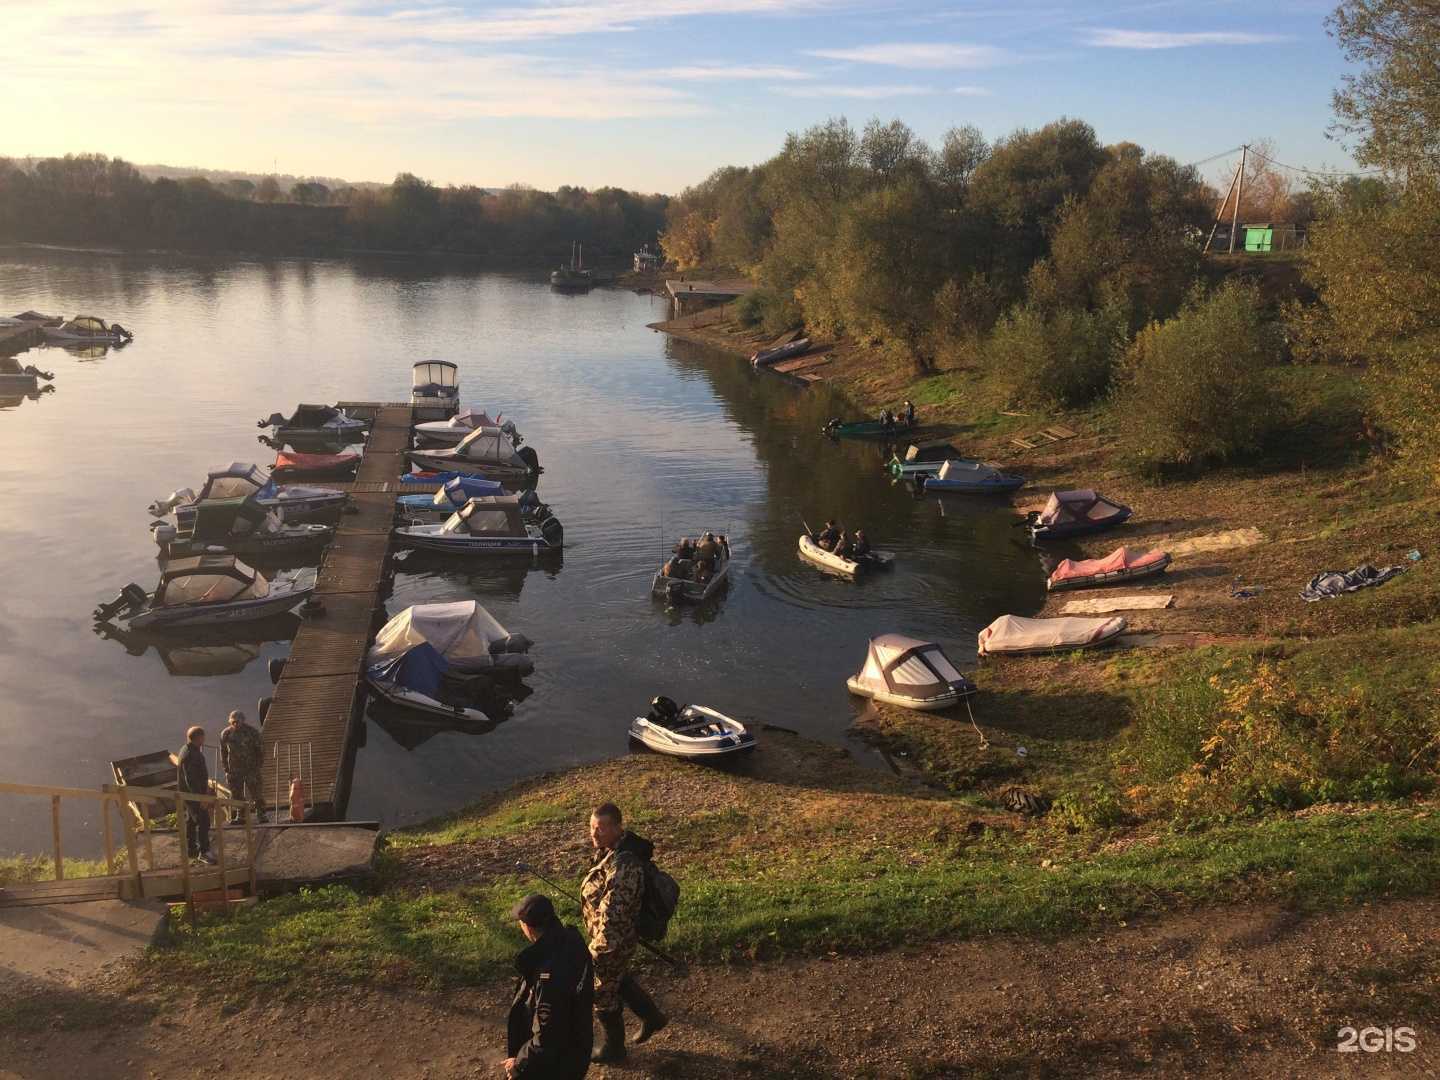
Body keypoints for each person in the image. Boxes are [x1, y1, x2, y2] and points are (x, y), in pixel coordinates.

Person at [581, 803, 668, 1064]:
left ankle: (614, 1049)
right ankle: (652, 1017)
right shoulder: (610, 851)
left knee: (602, 992)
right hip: (612, 937)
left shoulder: (624, 866)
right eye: (592, 827)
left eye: (601, 828)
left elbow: (613, 917)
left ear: (618, 828)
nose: (594, 834)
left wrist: (593, 952)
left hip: (612, 940)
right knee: (618, 977)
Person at [503, 893, 595, 1080]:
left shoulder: (549, 974)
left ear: (527, 927)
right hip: (577, 1047)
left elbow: (548, 1036)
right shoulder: (572, 941)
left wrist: (520, 1064)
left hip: (556, 1065)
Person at [219, 710, 265, 824]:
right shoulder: (226, 734)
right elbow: (223, 752)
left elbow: (260, 750)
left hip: (251, 768)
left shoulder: (252, 732)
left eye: (238, 721)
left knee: (256, 792)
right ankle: (241, 816)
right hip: (234, 769)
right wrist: (226, 768)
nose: (236, 724)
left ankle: (261, 814)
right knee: (236, 794)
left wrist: (258, 765)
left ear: (243, 721)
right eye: (233, 721)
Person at [177, 726, 214, 865]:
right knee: (204, 821)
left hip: (187, 794)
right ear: (198, 738)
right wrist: (200, 798)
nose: (204, 740)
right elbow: (191, 779)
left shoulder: (185, 749)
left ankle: (191, 849)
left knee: (191, 821)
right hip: (193, 795)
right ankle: (204, 852)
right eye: (203, 737)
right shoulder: (191, 754)